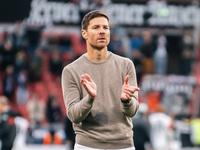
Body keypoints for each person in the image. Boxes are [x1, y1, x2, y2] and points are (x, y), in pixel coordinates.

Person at [61, 10, 140, 150]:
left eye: (106, 27)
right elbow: (73, 116)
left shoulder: (126, 65)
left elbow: (132, 111)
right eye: (96, 27)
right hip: (87, 145)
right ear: (84, 33)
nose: (102, 31)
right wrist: (90, 99)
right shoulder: (71, 71)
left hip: (123, 145)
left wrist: (126, 101)